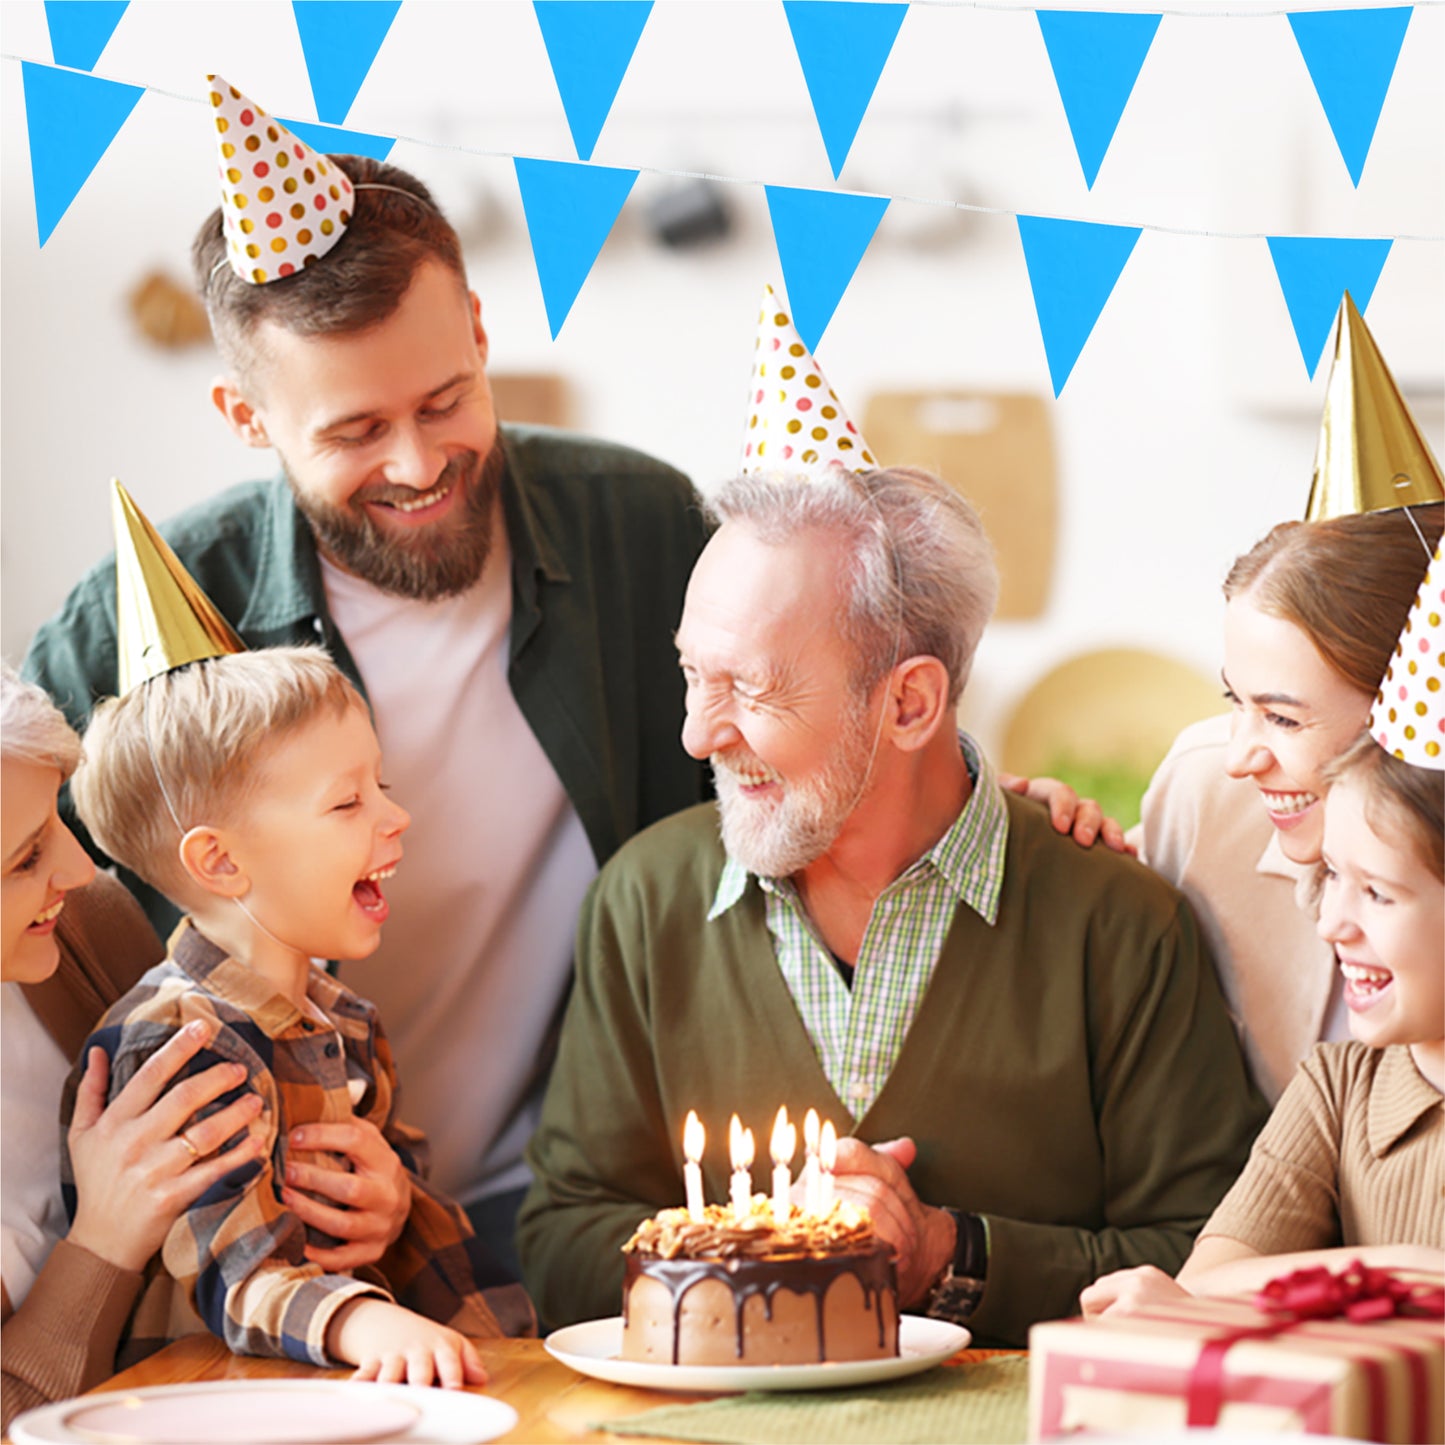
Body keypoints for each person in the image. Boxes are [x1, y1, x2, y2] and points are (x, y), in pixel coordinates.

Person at [23, 87, 711, 1275]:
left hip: (579, 1204)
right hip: (272, 1234)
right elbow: (31, 893)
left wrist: (978, 797)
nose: (416, 461)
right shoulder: (140, 618)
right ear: (246, 415)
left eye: (445, 400)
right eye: (353, 431)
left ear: (481, 331)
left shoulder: (639, 526)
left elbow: (805, 749)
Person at [516, 465, 1266, 1347]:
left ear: (908, 702)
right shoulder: (642, 902)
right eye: (692, 671)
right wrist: (774, 1263)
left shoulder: (1119, 924)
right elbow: (559, 1239)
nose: (696, 731)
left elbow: (1209, 1258)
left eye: (750, 688)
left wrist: (951, 1255)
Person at [66, 645, 501, 1382]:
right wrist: (360, 1319)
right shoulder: (177, 1043)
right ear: (220, 862)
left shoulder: (348, 1022)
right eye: (347, 801)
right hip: (204, 1412)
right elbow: (234, 1269)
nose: (396, 814)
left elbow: (416, 1238)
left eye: (381, 783)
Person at [1082, 729, 1444, 1316]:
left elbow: (1221, 1294)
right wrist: (1410, 1272)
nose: (1330, 923)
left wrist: (1358, 1277)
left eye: (1376, 893)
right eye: (1332, 875)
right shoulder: (1338, 1089)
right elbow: (1204, 1283)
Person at [1, 666, 261, 1431]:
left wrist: (371, 1200)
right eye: (24, 858)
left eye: (58, 822)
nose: (78, 870)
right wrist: (103, 1243)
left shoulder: (86, 926)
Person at [1136, 502, 1442, 1104]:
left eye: (1281, 717)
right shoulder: (1205, 798)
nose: (1240, 757)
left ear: (1409, 705)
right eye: (1235, 700)